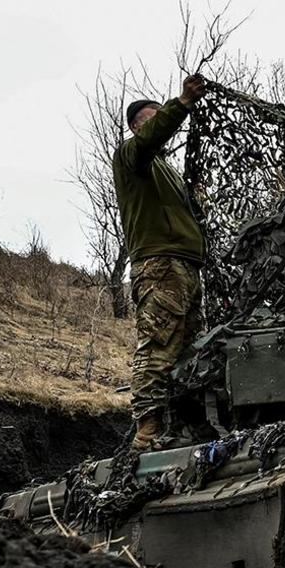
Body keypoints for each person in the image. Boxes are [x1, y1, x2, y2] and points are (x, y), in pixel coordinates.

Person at [112, 75, 208, 451]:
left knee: (192, 351)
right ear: (138, 127)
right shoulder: (132, 155)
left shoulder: (166, 171)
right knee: (158, 346)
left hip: (186, 268)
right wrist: (182, 102)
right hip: (160, 267)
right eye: (152, 119)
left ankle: (186, 428)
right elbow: (154, 135)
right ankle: (147, 432)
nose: (160, 123)